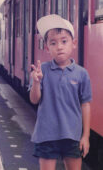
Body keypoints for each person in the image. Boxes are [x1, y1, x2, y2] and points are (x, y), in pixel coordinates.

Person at [29, 14, 92, 170]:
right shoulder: (42, 70)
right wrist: (36, 82)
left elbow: (86, 105)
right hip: (46, 135)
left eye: (64, 41)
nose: (59, 46)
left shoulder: (81, 74)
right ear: (46, 47)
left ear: (74, 43)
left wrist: (86, 136)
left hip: (72, 135)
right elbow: (34, 100)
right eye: (53, 43)